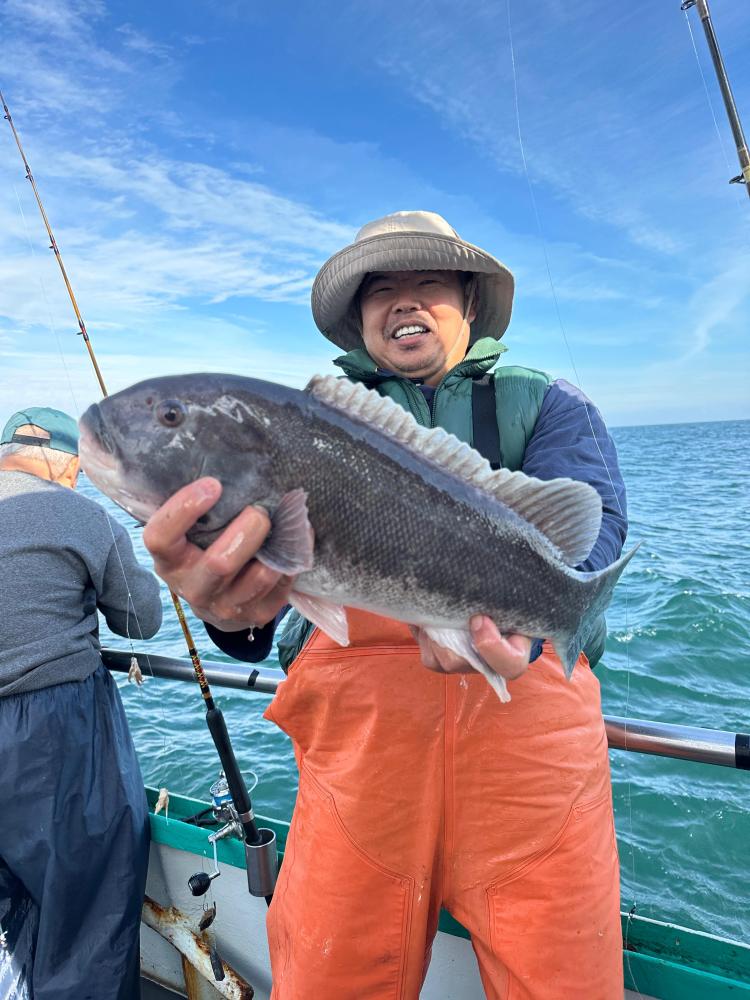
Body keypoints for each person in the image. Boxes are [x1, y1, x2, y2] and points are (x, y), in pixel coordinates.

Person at [143, 211, 628, 999]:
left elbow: (593, 536)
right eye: (382, 289)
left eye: (427, 282)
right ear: (359, 317)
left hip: (528, 745)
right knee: (331, 975)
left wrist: (533, 633)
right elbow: (262, 613)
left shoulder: (547, 405)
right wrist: (227, 616)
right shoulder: (293, 426)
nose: (403, 302)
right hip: (359, 762)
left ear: (470, 302)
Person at [0, 406, 163, 1000]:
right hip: (51, 738)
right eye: (78, 468)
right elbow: (143, 621)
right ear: (62, 459)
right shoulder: (80, 513)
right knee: (88, 911)